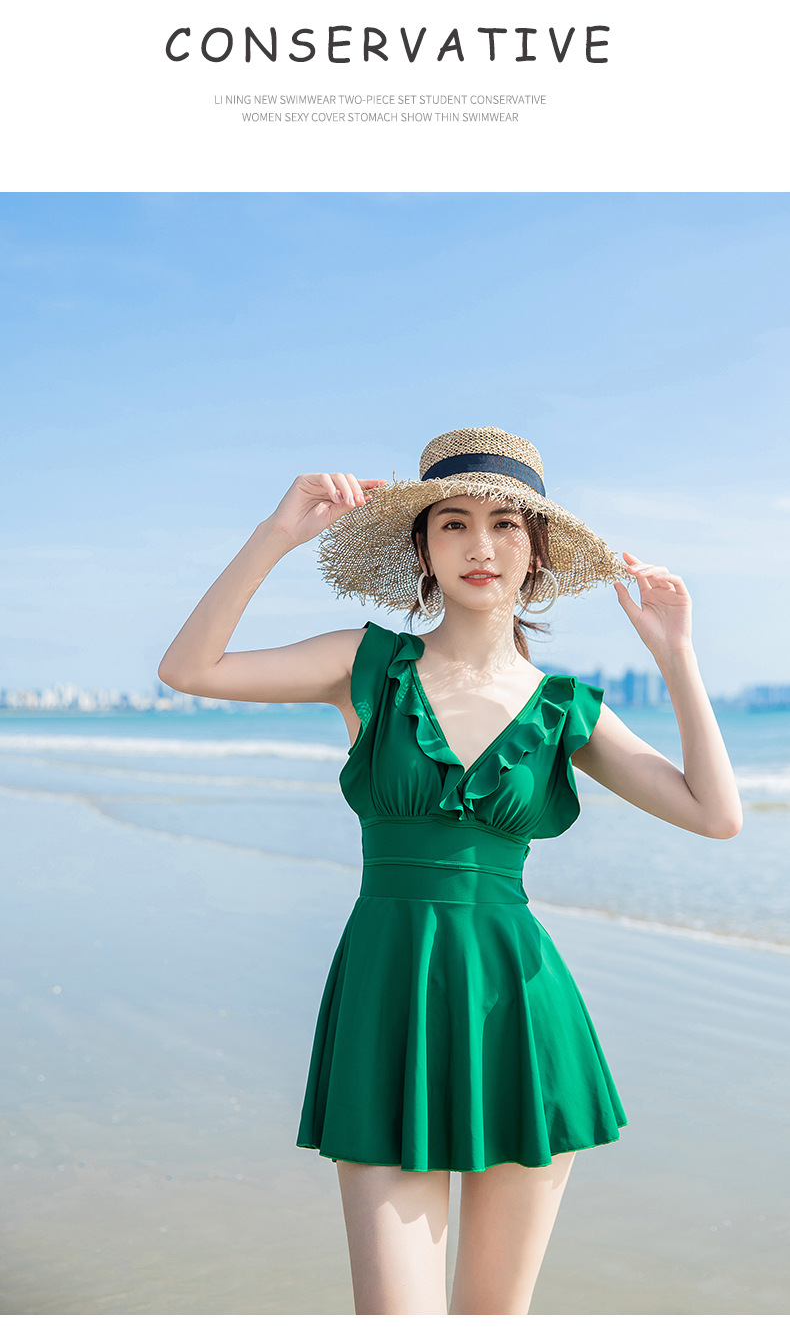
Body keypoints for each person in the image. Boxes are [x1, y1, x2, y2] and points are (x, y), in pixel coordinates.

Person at [158, 425, 743, 1316]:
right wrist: (277, 533)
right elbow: (188, 667)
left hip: (521, 1016)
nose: (482, 546)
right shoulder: (368, 668)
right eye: (454, 523)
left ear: (535, 551)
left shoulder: (563, 709)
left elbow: (716, 812)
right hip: (387, 1003)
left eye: (508, 524)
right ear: (423, 548)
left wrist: (677, 656)